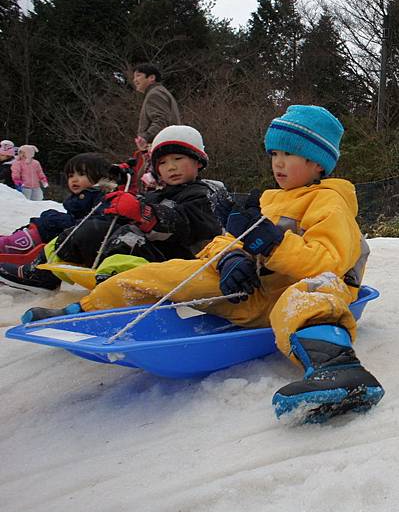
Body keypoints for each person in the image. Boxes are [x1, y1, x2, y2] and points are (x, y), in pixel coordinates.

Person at [22, 105, 384, 424]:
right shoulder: (269, 201)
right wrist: (229, 258)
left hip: (301, 291)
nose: (278, 162)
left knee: (311, 293)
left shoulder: (330, 203)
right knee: (158, 273)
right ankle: (82, 313)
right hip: (251, 292)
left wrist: (271, 242)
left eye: (290, 153)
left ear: (317, 161)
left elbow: (328, 262)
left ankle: (337, 369)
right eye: (274, 152)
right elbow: (222, 239)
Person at [2, 126, 226, 292]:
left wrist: (145, 213)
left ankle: (119, 289)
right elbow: (136, 211)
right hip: (152, 253)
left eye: (178, 158)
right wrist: (123, 204)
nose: (171, 167)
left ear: (198, 162)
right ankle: (43, 272)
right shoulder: (159, 193)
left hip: (180, 260)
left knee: (128, 238)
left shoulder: (205, 193)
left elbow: (189, 224)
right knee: (91, 227)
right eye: (163, 163)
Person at [0, 152, 111, 257]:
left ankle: (17, 245)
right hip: (74, 233)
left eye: (81, 174)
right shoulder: (83, 196)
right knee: (48, 217)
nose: (74, 180)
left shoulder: (103, 197)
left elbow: (96, 223)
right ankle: (17, 240)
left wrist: (60, 221)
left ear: (100, 177)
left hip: (83, 236)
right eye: (71, 175)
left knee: (51, 220)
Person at [130, 63, 181, 192]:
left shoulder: (155, 93)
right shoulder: (159, 92)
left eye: (138, 75)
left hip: (158, 149)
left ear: (151, 77)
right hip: (165, 148)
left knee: (153, 188)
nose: (135, 80)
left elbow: (161, 121)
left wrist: (144, 138)